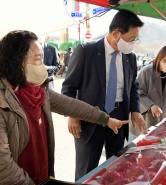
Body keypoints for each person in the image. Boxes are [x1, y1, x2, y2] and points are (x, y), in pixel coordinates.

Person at [0, 30, 127, 185]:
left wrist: (105, 119)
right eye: (39, 59)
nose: (44, 66)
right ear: (17, 61)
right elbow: (3, 166)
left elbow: (71, 105)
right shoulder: (4, 101)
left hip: (42, 176)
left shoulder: (39, 91)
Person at [61, 9, 147, 180]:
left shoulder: (130, 57)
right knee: (86, 171)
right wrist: (73, 116)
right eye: (131, 39)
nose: (134, 43)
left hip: (119, 118)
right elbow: (69, 87)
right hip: (89, 119)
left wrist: (135, 110)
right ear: (116, 34)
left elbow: (132, 87)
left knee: (117, 167)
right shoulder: (86, 51)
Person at [133, 45, 166, 134]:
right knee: (143, 140)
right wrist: (151, 105)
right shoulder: (146, 71)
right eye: (165, 60)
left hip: (162, 117)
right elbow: (137, 92)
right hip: (145, 116)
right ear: (159, 59)